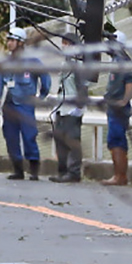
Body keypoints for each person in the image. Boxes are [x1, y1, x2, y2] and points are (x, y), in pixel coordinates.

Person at [0, 26, 50, 181]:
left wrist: (42, 95)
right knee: (10, 137)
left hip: (25, 104)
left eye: (12, 40)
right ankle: (18, 170)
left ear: (20, 43)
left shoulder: (32, 61)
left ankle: (34, 170)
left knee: (29, 136)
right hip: (9, 104)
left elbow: (45, 78)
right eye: (9, 40)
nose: (9, 43)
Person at [45, 30, 88, 183]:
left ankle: (74, 172)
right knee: (60, 141)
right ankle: (62, 171)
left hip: (72, 108)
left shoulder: (79, 64)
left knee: (72, 140)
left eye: (66, 43)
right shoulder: (65, 62)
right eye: (63, 43)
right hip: (61, 107)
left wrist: (79, 107)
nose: (64, 46)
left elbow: (82, 87)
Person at [100, 36, 132, 186]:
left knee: (116, 140)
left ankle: (120, 176)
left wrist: (124, 101)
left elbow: (131, 82)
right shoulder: (116, 61)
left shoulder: (122, 62)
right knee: (113, 140)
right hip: (112, 108)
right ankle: (118, 175)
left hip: (118, 110)